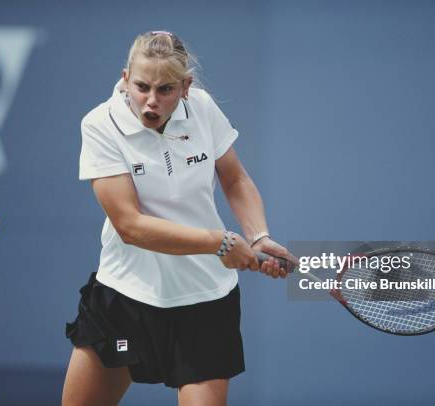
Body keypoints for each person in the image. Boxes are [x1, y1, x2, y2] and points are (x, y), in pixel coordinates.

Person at [62, 30, 296, 406]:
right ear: (125, 78)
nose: (150, 102)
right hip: (126, 296)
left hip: (205, 302)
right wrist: (219, 242)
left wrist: (258, 236)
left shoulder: (202, 108)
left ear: (186, 87)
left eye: (166, 89)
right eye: (141, 86)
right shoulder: (100, 125)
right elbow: (130, 226)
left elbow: (234, 178)